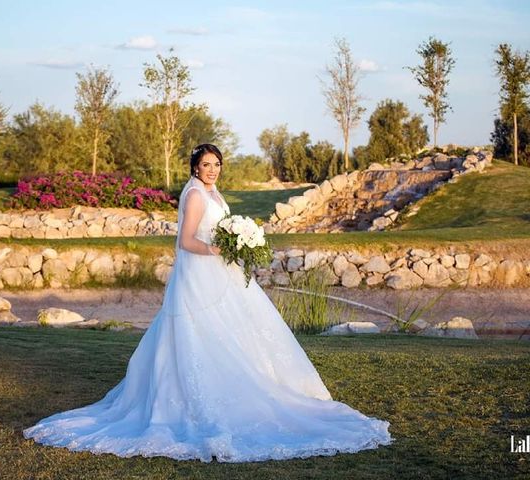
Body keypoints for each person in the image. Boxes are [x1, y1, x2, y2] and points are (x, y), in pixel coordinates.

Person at [23, 143, 392, 462]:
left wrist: (238, 245)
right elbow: (186, 240)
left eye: (216, 165)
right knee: (200, 334)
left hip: (220, 272)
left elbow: (218, 230)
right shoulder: (196, 194)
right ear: (195, 169)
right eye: (206, 166)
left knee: (235, 331)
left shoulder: (213, 193)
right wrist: (219, 248)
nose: (212, 170)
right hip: (199, 275)